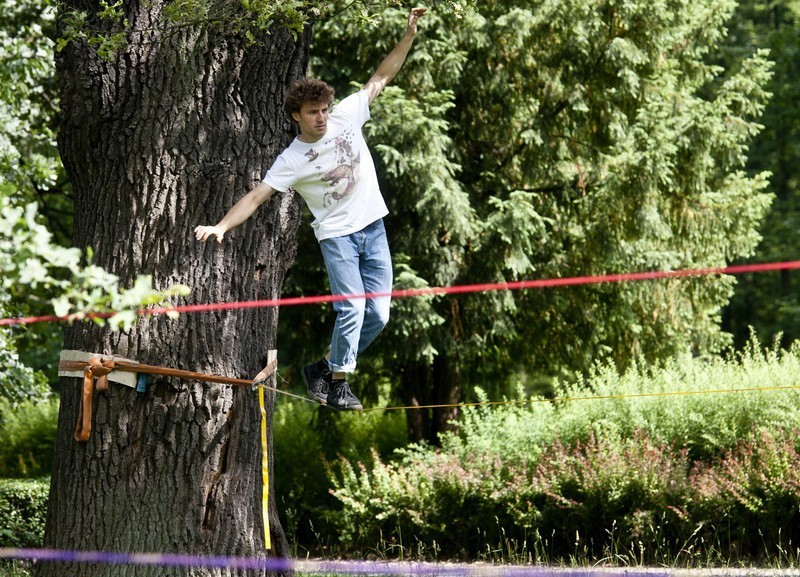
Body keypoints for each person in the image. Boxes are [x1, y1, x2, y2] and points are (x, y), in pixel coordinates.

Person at [195, 7, 427, 411]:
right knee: (352, 307)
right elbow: (255, 197)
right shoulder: (292, 159)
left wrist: (407, 36)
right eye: (312, 113)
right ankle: (339, 384)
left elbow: (380, 78)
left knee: (379, 316)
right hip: (337, 237)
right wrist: (220, 226)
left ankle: (323, 368)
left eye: (323, 110)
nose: (321, 118)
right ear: (295, 116)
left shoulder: (346, 117)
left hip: (373, 228)